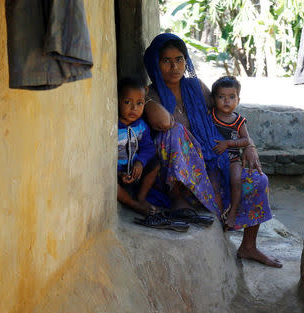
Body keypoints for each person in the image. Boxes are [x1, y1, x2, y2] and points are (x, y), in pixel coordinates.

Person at [142, 33, 282, 268]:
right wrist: (148, 100)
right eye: (166, 61)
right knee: (175, 132)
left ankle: (249, 246)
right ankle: (178, 198)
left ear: (186, 61)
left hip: (210, 159)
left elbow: (227, 115)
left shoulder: (195, 87)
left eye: (179, 59)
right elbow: (164, 124)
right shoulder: (149, 94)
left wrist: (250, 145)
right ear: (155, 63)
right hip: (172, 172)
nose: (174, 66)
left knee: (257, 179)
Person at [210, 76, 250, 229]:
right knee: (214, 183)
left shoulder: (239, 121)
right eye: (221, 97)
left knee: (236, 181)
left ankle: (233, 212)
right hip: (214, 158)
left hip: (233, 159)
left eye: (231, 97)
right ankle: (219, 215)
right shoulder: (210, 116)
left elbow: (246, 140)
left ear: (238, 100)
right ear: (214, 99)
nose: (227, 101)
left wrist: (228, 143)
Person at [117, 77, 160, 216]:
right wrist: (119, 173)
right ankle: (134, 204)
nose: (134, 108)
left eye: (139, 103)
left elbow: (148, 148)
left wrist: (140, 163)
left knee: (155, 164)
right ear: (118, 100)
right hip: (117, 173)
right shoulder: (113, 127)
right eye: (127, 102)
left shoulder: (141, 126)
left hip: (135, 170)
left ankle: (141, 197)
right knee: (109, 183)